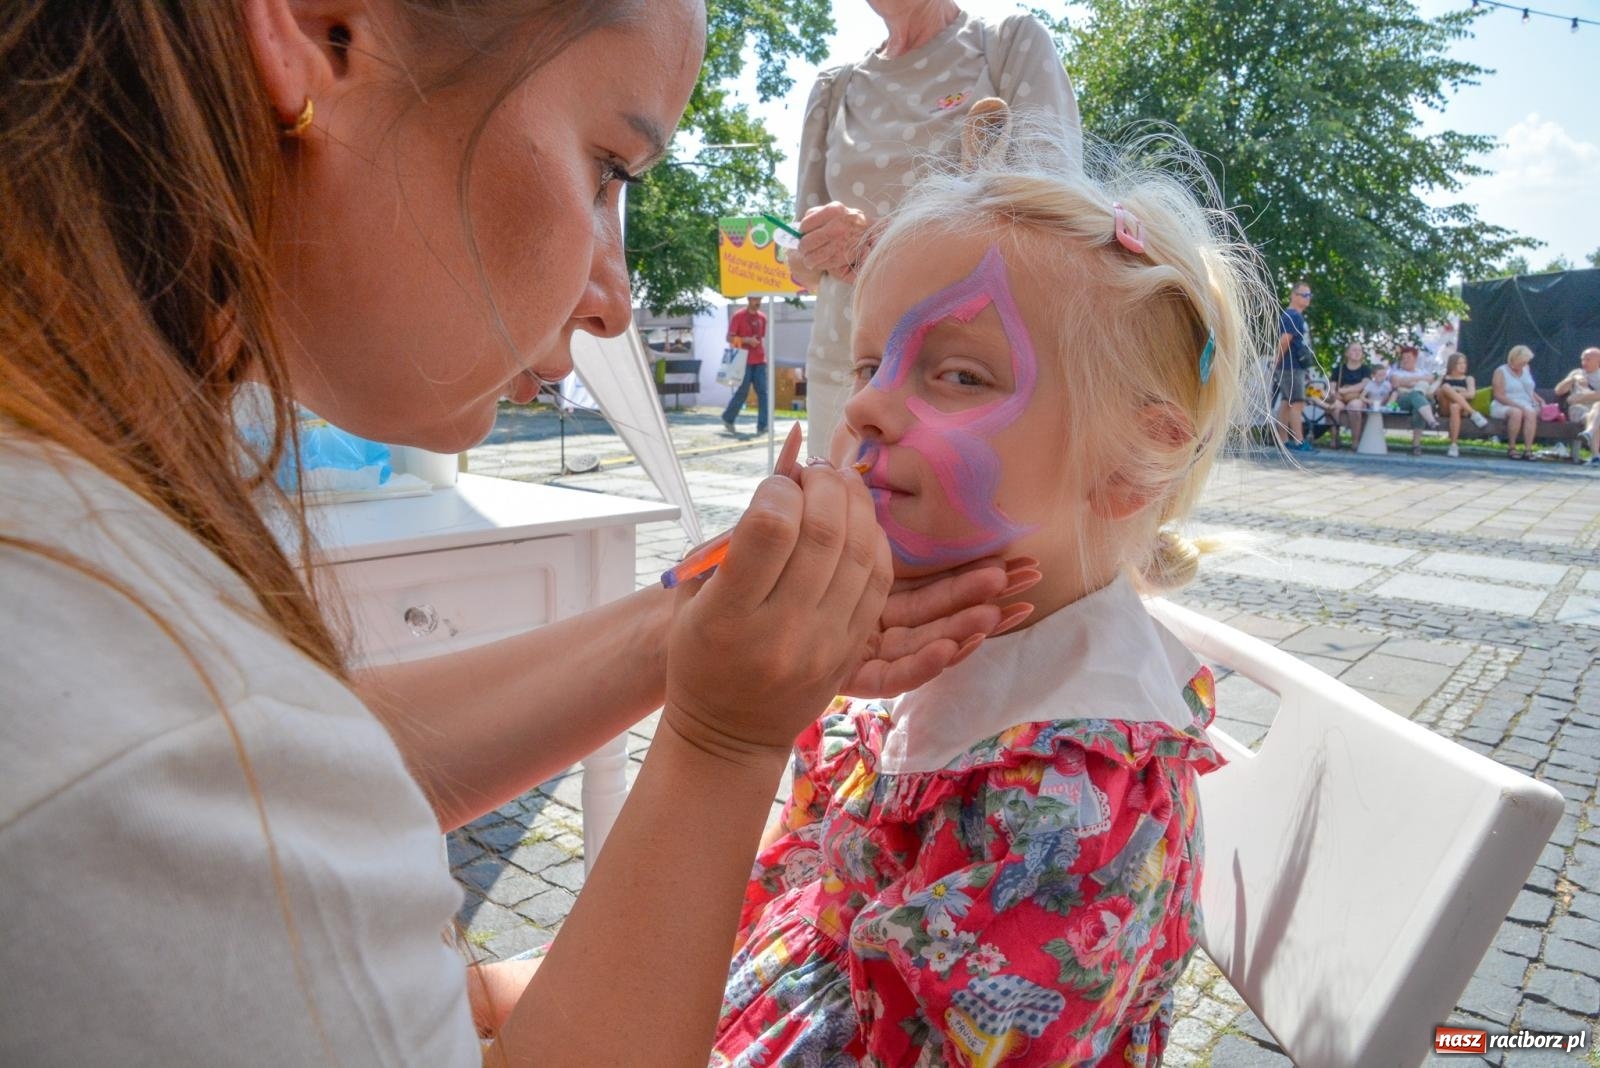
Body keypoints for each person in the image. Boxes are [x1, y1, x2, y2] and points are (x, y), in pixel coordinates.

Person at [0, 4, 1028, 1064]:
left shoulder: (79, 535)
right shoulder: (124, 753)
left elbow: (305, 755)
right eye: (607, 169)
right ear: (320, 30)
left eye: (960, 375)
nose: (613, 302)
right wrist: (726, 738)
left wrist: (686, 631)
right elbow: (245, 768)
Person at [711, 100, 1267, 1067]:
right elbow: (788, 894)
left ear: (1131, 465)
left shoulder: (1076, 804)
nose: (868, 405)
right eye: (871, 363)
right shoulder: (896, 646)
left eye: (960, 376)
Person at [788, 0, 1082, 461]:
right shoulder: (833, 88)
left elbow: (1052, 223)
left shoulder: (1008, 43)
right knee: (841, 504)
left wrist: (888, 244)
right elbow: (802, 258)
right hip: (844, 373)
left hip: (964, 379)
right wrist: (816, 247)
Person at [1274, 281, 1314, 451]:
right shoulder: (1293, 316)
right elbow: (1285, 340)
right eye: (1303, 294)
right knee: (1297, 403)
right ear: (1293, 296)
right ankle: (1299, 441)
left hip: (1290, 366)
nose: (1307, 298)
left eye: (1309, 295)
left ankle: (1283, 441)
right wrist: (1276, 361)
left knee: (1286, 402)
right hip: (1291, 366)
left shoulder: (1291, 315)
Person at [722, 294, 769, 435]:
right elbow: (729, 338)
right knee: (742, 392)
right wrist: (746, 340)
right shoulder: (738, 316)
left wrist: (755, 343)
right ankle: (728, 418)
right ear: (749, 299)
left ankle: (763, 425)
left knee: (763, 393)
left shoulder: (763, 318)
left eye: (760, 299)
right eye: (755, 299)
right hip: (743, 360)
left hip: (760, 360)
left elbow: (761, 338)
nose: (758, 302)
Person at [1492, 345, 1542, 461]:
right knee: (1516, 412)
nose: (1523, 365)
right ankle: (1512, 447)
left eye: (1525, 363)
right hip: (1504, 403)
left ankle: (1528, 450)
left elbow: (1528, 389)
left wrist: (1539, 399)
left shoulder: (1526, 368)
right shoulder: (1500, 371)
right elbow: (1498, 395)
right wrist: (1518, 406)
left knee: (1531, 413)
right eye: (1521, 363)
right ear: (1513, 359)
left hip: (1525, 402)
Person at [1434, 351, 1489, 458]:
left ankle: (1453, 445)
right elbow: (1434, 392)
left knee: (1455, 406)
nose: (1463, 366)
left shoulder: (1469, 379)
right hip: (1444, 408)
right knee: (1445, 387)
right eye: (1459, 363)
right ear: (1452, 365)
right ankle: (1473, 413)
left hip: (1461, 410)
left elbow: (1471, 394)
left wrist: (1454, 392)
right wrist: (1456, 390)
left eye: (1464, 363)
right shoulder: (1443, 377)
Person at [1389, 343, 1440, 456]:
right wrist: (1420, 381)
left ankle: (1416, 446)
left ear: (1415, 358)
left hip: (1420, 403)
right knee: (1416, 395)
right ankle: (1431, 421)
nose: (1405, 360)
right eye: (1403, 358)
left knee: (1418, 405)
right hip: (1402, 401)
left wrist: (1407, 382)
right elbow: (1395, 383)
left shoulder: (1423, 371)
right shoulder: (1396, 372)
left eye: (1408, 357)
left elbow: (1431, 379)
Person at [1554, 346, 1600, 464]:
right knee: (1595, 417)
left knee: (1597, 409)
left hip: (1594, 409)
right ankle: (1595, 456)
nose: (1584, 362)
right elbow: (1558, 391)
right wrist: (1572, 379)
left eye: (1588, 359)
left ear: (1598, 361)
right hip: (1578, 410)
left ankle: (1589, 434)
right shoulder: (1577, 373)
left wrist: (1581, 397)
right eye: (1583, 359)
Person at [1326, 341, 1372, 449]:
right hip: (1341, 398)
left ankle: (1355, 441)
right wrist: (1333, 393)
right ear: (1347, 353)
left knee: (1354, 406)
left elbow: (1364, 384)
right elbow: (1333, 385)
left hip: (1358, 397)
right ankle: (1334, 438)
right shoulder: (1338, 369)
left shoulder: (1365, 369)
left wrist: (1346, 390)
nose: (1357, 352)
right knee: (1333, 406)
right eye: (1354, 350)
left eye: (1359, 350)